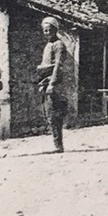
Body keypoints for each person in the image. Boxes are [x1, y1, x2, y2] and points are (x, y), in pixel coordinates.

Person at [36, 16, 76, 153]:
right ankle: (57, 144)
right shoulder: (48, 45)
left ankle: (58, 146)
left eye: (49, 30)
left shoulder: (58, 45)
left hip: (55, 83)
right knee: (49, 114)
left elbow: (58, 65)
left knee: (54, 114)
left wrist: (52, 83)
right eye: (45, 30)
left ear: (55, 30)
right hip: (46, 81)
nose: (47, 32)